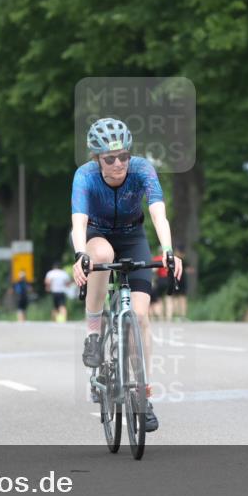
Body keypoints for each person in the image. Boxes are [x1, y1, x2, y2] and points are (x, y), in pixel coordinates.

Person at [71, 117, 182, 433]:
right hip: (97, 235)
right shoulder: (85, 176)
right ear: (97, 158)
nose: (118, 164)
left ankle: (143, 396)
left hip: (133, 237)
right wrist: (80, 255)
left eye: (124, 156)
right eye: (110, 159)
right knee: (102, 255)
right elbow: (79, 222)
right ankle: (94, 333)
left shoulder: (143, 170)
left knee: (140, 316)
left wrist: (168, 250)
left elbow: (158, 212)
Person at [149, 253, 172, 322]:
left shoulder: (157, 259)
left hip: (161, 280)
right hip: (169, 279)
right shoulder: (169, 259)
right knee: (168, 299)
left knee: (159, 299)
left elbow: (153, 270)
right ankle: (168, 317)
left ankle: (161, 317)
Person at [169, 243, 189, 320]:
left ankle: (182, 315)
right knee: (176, 298)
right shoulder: (176, 260)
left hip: (180, 280)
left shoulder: (181, 260)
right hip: (176, 280)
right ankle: (177, 315)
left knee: (181, 298)